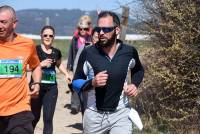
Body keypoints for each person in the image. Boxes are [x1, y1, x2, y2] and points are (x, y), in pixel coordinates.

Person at [73, 11, 144, 134]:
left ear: (117, 30)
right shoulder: (88, 53)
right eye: (99, 29)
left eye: (106, 29)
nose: (101, 33)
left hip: (121, 114)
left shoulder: (129, 52)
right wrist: (92, 83)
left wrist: (134, 85)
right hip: (94, 116)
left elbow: (138, 70)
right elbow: (75, 82)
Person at [0, 5, 42, 134]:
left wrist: (36, 83)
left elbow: (36, 66)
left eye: (3, 22)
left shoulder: (27, 44)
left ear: (14, 23)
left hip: (20, 109)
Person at [31, 25, 72, 134]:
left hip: (51, 88)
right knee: (34, 117)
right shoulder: (35, 50)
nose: (48, 37)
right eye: (45, 35)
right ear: (41, 36)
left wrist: (66, 74)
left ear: (54, 37)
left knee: (48, 119)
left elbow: (59, 64)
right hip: (36, 87)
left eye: (50, 35)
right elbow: (27, 67)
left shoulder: (56, 52)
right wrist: (40, 65)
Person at [67, 16, 92, 114]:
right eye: (80, 28)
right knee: (75, 84)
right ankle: (74, 105)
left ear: (88, 29)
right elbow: (71, 53)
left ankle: (85, 104)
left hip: (87, 66)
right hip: (76, 65)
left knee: (86, 85)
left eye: (85, 29)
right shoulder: (75, 39)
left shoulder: (91, 38)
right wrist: (69, 66)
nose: (82, 30)